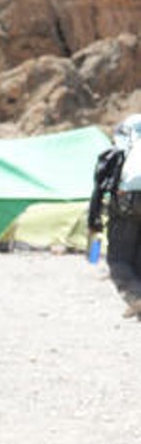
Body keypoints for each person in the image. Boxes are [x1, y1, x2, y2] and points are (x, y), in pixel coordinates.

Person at [89, 114, 141, 316]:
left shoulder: (122, 147)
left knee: (119, 257)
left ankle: (136, 297)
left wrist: (94, 219)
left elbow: (101, 184)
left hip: (127, 199)